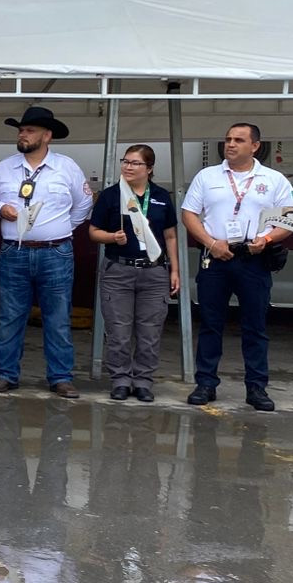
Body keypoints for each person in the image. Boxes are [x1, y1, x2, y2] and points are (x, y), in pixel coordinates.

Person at [180, 122, 293, 412]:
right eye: (228, 139)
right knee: (210, 323)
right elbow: (189, 213)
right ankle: (206, 383)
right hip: (216, 257)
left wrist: (266, 239)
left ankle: (256, 387)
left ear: (255, 146)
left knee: (255, 326)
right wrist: (211, 243)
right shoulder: (207, 176)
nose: (230, 144)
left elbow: (291, 218)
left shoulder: (274, 180)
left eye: (239, 140)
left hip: (254, 259)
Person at [0, 105, 93, 398]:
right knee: (9, 317)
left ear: (47, 136)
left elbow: (84, 203)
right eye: (21, 130)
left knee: (58, 317)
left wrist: (61, 228)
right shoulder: (4, 168)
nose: (23, 134)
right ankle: (5, 374)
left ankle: (61, 377)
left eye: (29, 130)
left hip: (56, 252)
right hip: (13, 252)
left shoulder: (67, 167)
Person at [88, 144, 180, 402]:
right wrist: (111, 237)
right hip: (119, 270)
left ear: (149, 168)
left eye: (135, 163)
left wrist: (175, 270)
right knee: (118, 330)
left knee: (150, 331)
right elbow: (93, 232)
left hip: (154, 271)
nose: (128, 167)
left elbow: (170, 236)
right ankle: (120, 379)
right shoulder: (111, 195)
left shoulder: (161, 196)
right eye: (125, 161)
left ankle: (143, 381)